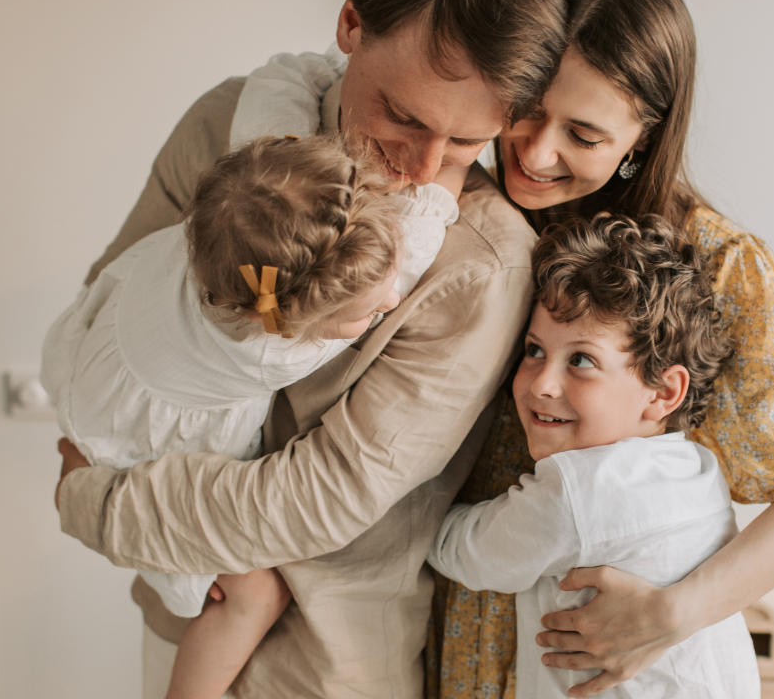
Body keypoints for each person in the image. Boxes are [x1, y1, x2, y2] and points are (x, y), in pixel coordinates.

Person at [53, 0, 567, 697]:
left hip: (324, 667)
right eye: (403, 116)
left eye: (467, 140)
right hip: (177, 617)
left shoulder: (484, 266)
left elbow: (325, 494)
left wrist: (94, 501)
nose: (423, 169)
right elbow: (116, 304)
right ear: (351, 24)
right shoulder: (224, 124)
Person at [430, 0, 774, 698]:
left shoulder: (719, 268)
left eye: (583, 135)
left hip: (594, 654)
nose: (535, 150)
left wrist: (668, 616)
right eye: (528, 107)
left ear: (642, 139)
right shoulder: (459, 209)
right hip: (449, 628)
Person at [42, 134, 461, 699]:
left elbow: (274, 98)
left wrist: (303, 75)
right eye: (362, 315)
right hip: (134, 438)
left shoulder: (240, 207)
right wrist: (457, 161)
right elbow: (420, 236)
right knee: (255, 595)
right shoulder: (272, 347)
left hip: (97, 377)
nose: (390, 299)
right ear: (290, 321)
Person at [428, 213, 759, 699]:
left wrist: (420, 496)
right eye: (535, 350)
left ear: (663, 392)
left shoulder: (579, 489)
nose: (542, 382)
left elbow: (466, 553)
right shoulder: (697, 470)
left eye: (581, 360)